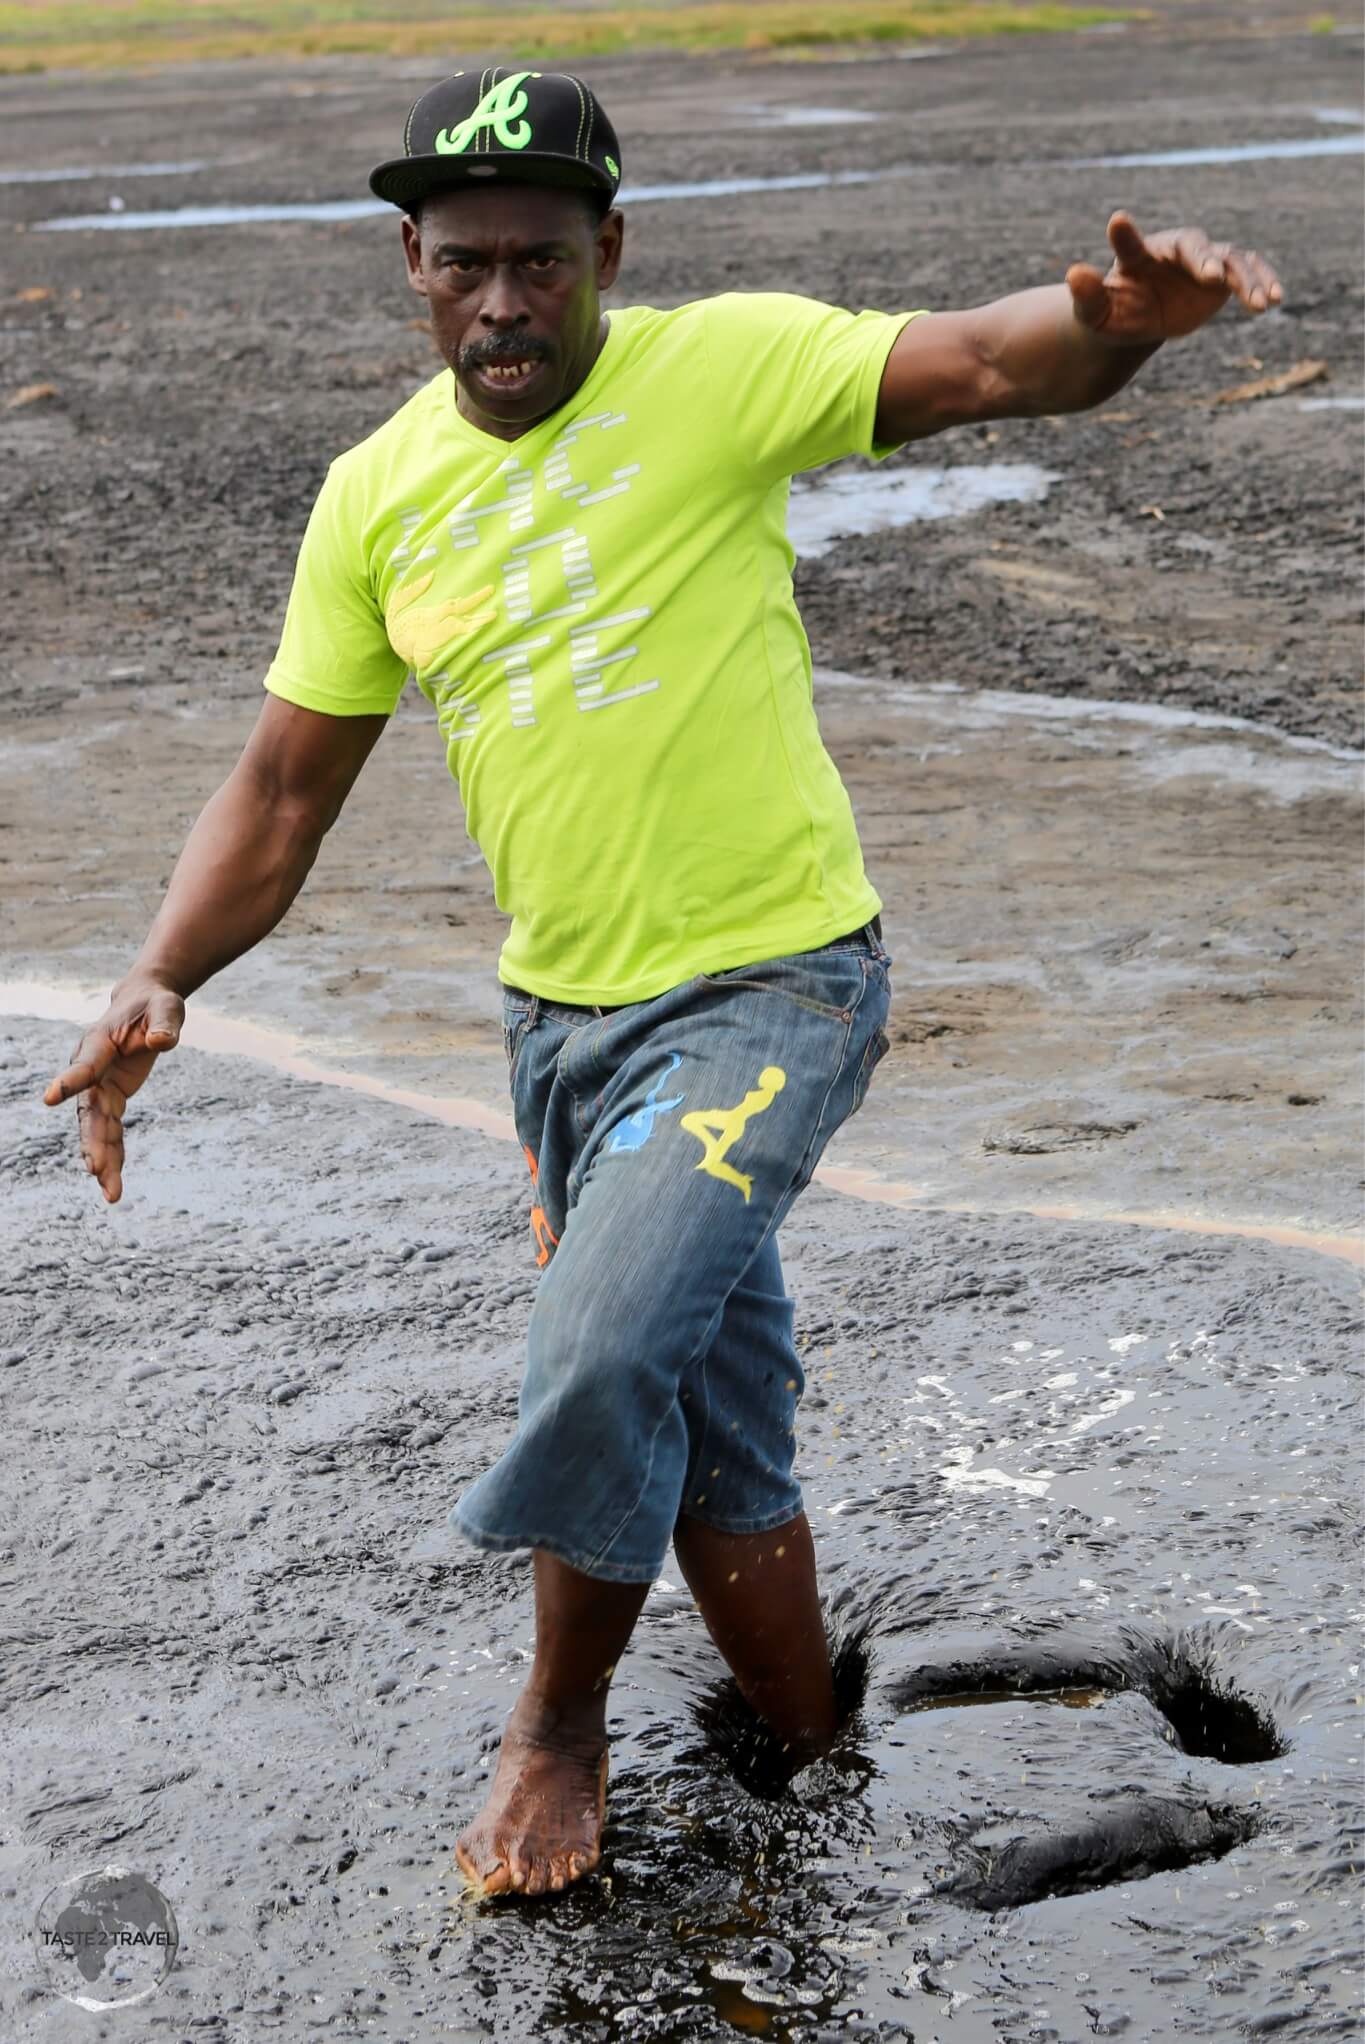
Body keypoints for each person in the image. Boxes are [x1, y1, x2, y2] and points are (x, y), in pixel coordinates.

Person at [44, 65, 1282, 1902]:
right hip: (560, 1028)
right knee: (706, 1402)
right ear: (408, 263)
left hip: (774, 988)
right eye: (462, 264)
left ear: (606, 251)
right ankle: (805, 1749)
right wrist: (163, 970)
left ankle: (558, 1723)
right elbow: (286, 785)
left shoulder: (717, 372)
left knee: (605, 1346)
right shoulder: (376, 495)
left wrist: (1113, 331)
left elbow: (987, 363)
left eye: (539, 263)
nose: (501, 303)